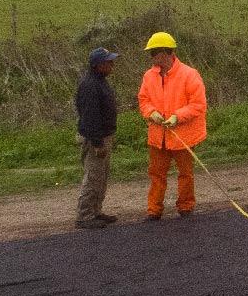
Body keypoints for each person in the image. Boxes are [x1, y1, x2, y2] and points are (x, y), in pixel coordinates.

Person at [137, 31, 208, 220]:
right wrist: (150, 112)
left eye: (152, 53)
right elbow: (143, 100)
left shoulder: (189, 74)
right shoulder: (149, 76)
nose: (151, 57)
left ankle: (185, 207)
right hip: (157, 136)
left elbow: (198, 104)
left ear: (163, 53)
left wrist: (177, 116)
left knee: (185, 173)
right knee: (156, 173)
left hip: (182, 136)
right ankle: (154, 210)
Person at [74, 47, 120, 229]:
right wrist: (97, 143)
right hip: (95, 139)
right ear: (98, 65)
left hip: (103, 136)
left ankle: (95, 211)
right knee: (93, 176)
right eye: (108, 62)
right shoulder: (90, 85)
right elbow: (90, 116)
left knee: (101, 176)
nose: (112, 64)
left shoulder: (99, 81)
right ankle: (84, 215)